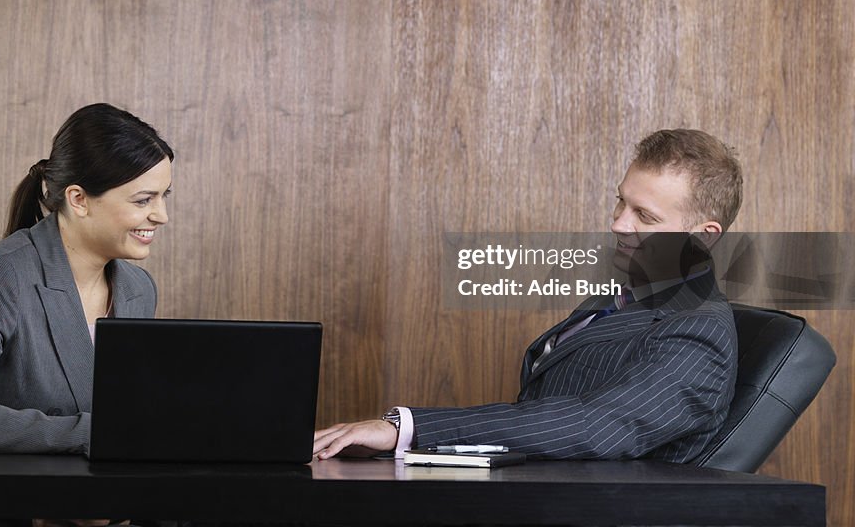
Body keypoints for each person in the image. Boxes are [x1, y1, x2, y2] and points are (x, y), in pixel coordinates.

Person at [313, 129, 742, 463]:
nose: (618, 224)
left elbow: (594, 425)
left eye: (644, 215)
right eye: (621, 202)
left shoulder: (697, 329)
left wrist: (408, 428)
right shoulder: (630, 290)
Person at [0, 103, 174, 455]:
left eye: (164, 196)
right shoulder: (0, 275)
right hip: (3, 493)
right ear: (79, 199)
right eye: (144, 199)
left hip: (98, 489)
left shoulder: (138, 289)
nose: (161, 215)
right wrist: (96, 434)